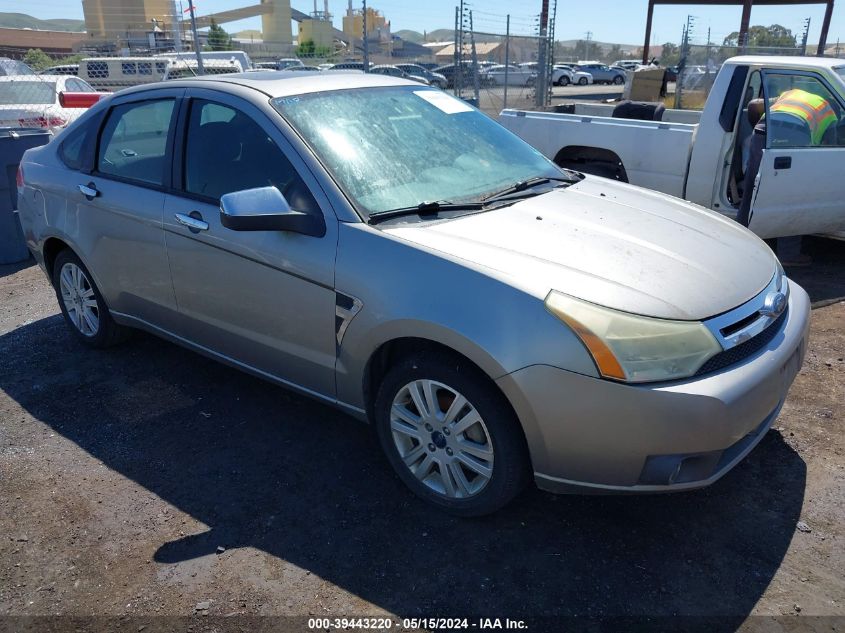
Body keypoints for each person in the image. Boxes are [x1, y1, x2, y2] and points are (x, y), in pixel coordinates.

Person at [737, 87, 839, 266]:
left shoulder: (791, 93)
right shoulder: (830, 113)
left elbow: (754, 106)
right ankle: (789, 254)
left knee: (752, 188)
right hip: (795, 134)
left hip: (762, 130)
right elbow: (832, 147)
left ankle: (738, 241)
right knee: (792, 194)